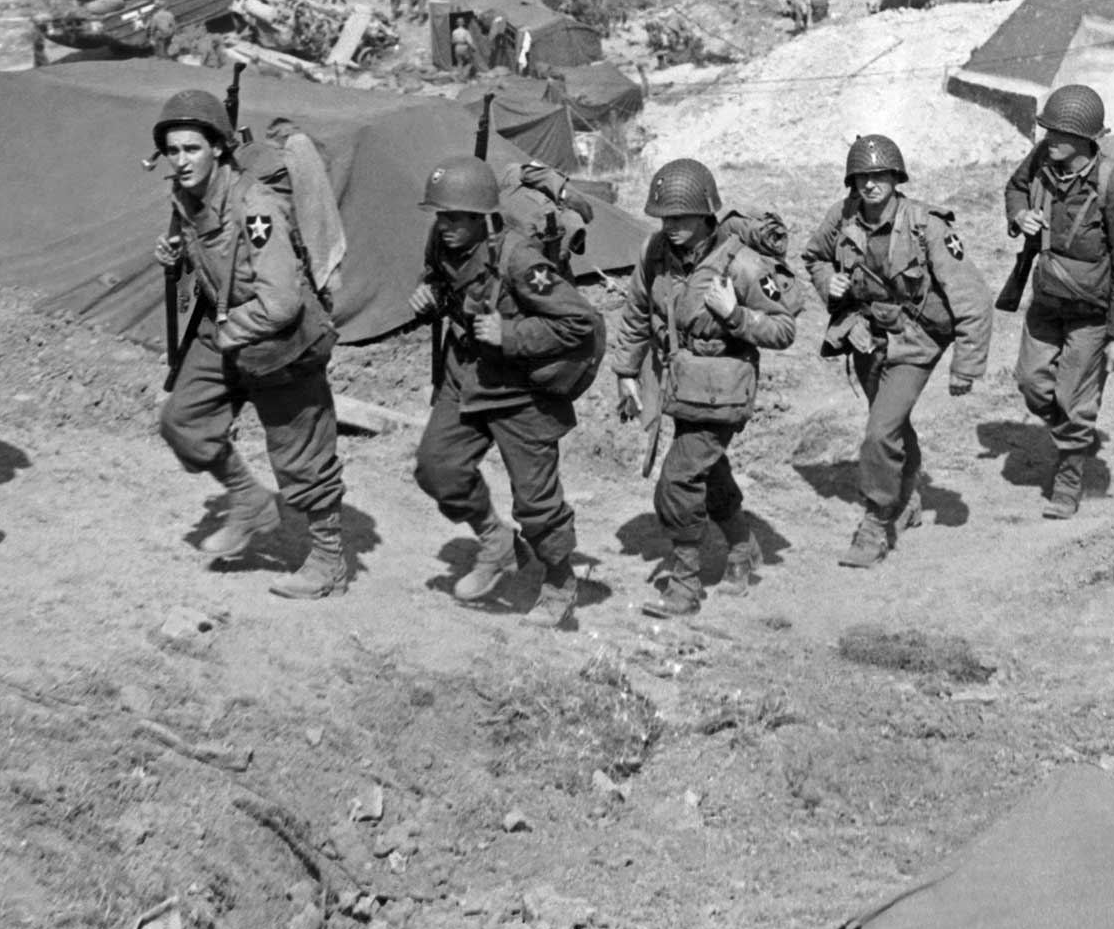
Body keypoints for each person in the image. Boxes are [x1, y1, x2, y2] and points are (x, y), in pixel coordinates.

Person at [150, 91, 348, 598]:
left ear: (218, 148)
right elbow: (214, 260)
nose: (181, 160)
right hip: (229, 329)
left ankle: (328, 563)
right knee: (182, 419)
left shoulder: (256, 206)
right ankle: (248, 499)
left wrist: (230, 331)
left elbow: (280, 302)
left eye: (192, 149)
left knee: (300, 458)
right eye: (172, 151)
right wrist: (177, 259)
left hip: (280, 340)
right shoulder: (187, 198)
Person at [410, 158, 601, 630]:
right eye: (441, 215)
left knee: (536, 505)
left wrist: (511, 334)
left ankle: (559, 580)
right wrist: (428, 299)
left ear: (481, 216)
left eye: (456, 217)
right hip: (467, 373)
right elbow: (440, 283)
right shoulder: (442, 243)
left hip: (521, 390)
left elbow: (579, 323)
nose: (445, 226)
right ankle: (496, 541)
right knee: (438, 468)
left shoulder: (518, 258)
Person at [609, 160, 803, 618]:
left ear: (706, 215)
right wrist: (625, 371)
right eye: (664, 218)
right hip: (680, 384)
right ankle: (741, 548)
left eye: (681, 218)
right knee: (708, 471)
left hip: (723, 388)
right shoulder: (655, 252)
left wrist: (736, 315)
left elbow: (784, 329)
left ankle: (685, 585)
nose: (671, 227)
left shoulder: (742, 265)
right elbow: (639, 311)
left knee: (677, 482)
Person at [803, 135, 990, 564]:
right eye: (862, 177)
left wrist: (966, 365)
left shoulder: (927, 226)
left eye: (879, 175)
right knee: (891, 422)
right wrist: (826, 282)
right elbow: (813, 256)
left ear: (895, 177)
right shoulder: (843, 216)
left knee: (879, 431)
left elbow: (971, 297)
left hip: (917, 339)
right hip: (866, 335)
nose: (870, 184)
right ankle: (907, 498)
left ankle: (875, 522)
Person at [1003, 86, 1114, 517]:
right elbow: (1015, 188)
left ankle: (1068, 476)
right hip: (1046, 301)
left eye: (1061, 132)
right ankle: (1074, 433)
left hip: (1092, 313)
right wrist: (1019, 215)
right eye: (1048, 129)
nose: (1050, 137)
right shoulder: (1043, 160)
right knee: (1031, 383)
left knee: (1074, 398)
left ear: (1087, 138)